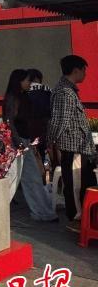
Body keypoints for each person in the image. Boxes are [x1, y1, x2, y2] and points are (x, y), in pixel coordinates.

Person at [49, 55, 98, 232]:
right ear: (76, 70)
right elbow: (59, 121)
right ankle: (77, 220)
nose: (85, 74)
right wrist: (52, 143)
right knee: (76, 186)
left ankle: (84, 219)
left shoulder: (68, 90)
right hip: (73, 147)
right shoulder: (65, 93)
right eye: (84, 70)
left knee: (83, 183)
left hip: (79, 147)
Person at [2, 69, 58, 222]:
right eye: (27, 80)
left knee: (33, 178)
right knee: (12, 178)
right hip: (17, 143)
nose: (29, 83)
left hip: (25, 141)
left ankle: (42, 213)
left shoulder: (24, 97)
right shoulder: (13, 98)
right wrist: (18, 142)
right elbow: (9, 122)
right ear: (19, 81)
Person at [26, 69, 53, 180]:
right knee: (43, 155)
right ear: (39, 79)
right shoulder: (49, 90)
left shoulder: (25, 91)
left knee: (31, 157)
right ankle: (43, 180)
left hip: (29, 129)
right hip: (45, 128)